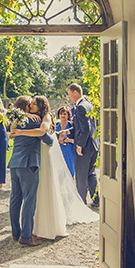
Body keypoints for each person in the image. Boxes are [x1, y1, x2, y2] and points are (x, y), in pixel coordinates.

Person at [23, 95, 98, 241]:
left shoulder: (46, 117)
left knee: (46, 188)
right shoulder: (33, 117)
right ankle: (35, 225)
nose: (30, 106)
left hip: (45, 157)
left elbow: (45, 136)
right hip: (37, 157)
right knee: (37, 191)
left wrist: (20, 132)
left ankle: (48, 226)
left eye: (33, 104)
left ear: (40, 105)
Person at [7, 96, 53, 246]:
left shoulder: (17, 121)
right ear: (27, 108)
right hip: (29, 164)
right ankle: (26, 236)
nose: (32, 106)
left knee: (15, 199)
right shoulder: (35, 122)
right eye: (31, 104)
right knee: (29, 200)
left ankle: (15, 233)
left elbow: (11, 127)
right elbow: (49, 140)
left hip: (14, 163)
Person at [65, 84, 99, 206]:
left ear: (75, 92)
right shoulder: (89, 105)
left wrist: (79, 145)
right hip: (94, 146)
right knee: (91, 174)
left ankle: (81, 203)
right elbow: (80, 126)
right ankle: (96, 201)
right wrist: (67, 131)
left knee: (81, 176)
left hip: (84, 147)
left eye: (69, 94)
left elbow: (85, 128)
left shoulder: (80, 107)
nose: (68, 97)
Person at [55, 105, 75, 177]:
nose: (62, 115)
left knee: (70, 171)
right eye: (61, 114)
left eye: (64, 114)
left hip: (69, 150)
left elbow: (77, 140)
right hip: (58, 150)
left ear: (68, 115)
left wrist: (68, 140)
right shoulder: (56, 125)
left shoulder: (71, 125)